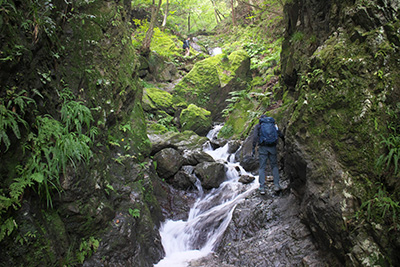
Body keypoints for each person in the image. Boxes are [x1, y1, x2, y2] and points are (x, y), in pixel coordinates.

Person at [252, 115, 285, 195]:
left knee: (262, 167)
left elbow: (255, 137)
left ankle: (262, 187)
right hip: (272, 147)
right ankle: (276, 185)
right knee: (274, 166)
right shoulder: (273, 125)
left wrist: (253, 148)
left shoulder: (259, 126)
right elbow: (280, 134)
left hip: (263, 148)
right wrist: (284, 141)